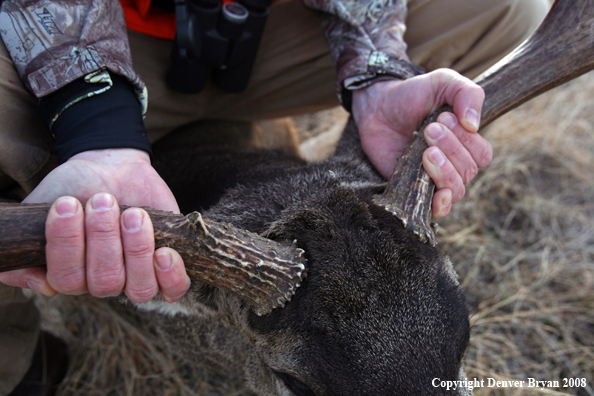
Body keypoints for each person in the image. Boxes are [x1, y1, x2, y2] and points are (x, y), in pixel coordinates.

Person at [0, 0, 550, 394]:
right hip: (65, 40)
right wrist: (95, 124)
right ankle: (16, 363)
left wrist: (375, 70)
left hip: (255, 37)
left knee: (508, 9)